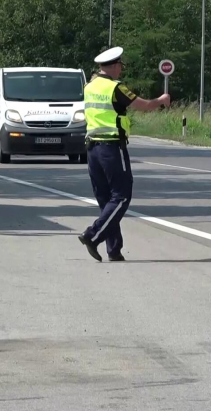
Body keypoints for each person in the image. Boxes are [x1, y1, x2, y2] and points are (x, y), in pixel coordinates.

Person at [78, 47, 171, 262]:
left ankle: (114, 249)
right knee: (121, 196)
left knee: (106, 199)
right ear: (112, 66)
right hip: (111, 147)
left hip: (92, 149)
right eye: (120, 65)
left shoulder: (89, 86)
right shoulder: (115, 88)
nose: (121, 69)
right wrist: (161, 99)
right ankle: (93, 235)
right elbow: (144, 105)